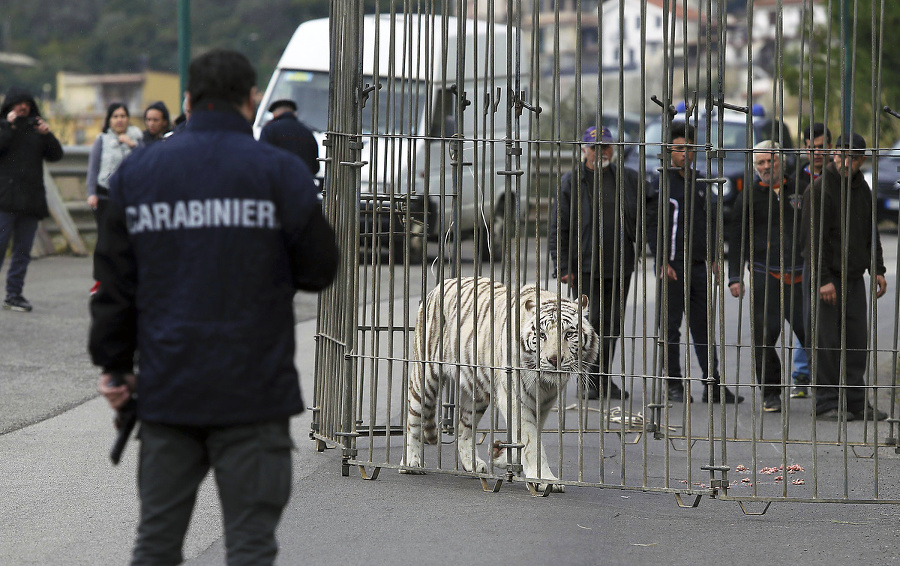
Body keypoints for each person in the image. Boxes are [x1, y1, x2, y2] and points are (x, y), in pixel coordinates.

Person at [89, 49, 339, 564]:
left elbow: (114, 285)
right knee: (250, 545)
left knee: (156, 543)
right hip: (256, 391)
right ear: (251, 100)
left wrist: (115, 368)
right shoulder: (280, 172)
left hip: (169, 389)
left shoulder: (138, 173)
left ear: (187, 99)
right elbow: (321, 270)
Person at [646, 122, 743, 404]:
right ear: (668, 151)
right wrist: (661, 259)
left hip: (699, 266)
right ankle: (674, 384)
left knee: (703, 327)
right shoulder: (661, 182)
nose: (685, 153)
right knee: (670, 327)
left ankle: (712, 383)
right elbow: (653, 224)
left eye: (690, 148)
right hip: (672, 266)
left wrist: (715, 255)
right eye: (679, 148)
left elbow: (710, 221)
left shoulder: (701, 181)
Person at [548, 125, 642, 400]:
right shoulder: (571, 181)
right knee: (591, 323)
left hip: (620, 263)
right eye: (595, 147)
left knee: (613, 324)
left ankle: (602, 377)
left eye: (606, 147)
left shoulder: (626, 178)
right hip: (586, 266)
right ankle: (589, 379)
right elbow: (558, 226)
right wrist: (562, 266)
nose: (601, 152)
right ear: (584, 150)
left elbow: (650, 205)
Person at [800, 132, 888, 421]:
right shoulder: (819, 189)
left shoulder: (862, 188)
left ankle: (855, 401)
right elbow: (813, 240)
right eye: (840, 154)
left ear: (861, 160)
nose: (843, 161)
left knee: (856, 340)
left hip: (852, 277)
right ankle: (826, 402)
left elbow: (869, 230)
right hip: (826, 277)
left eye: (851, 156)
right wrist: (822, 279)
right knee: (825, 341)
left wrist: (878, 268)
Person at [727, 141, 806, 413]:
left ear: (781, 162)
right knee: (763, 339)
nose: (764, 167)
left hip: (800, 277)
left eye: (769, 161)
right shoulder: (748, 195)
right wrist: (735, 277)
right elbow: (736, 238)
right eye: (759, 163)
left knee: (815, 336)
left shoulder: (801, 190)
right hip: (764, 275)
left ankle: (829, 394)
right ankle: (770, 393)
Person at [0, 87, 64, 312]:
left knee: (22, 250)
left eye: (26, 103)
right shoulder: (3, 126)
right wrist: (9, 125)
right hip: (5, 200)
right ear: (9, 105)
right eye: (18, 103)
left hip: (31, 199)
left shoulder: (37, 129)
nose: (22, 107)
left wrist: (47, 134)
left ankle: (14, 294)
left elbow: (56, 155)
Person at [789, 123, 833, 398]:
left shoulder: (837, 177)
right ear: (805, 147)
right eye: (811, 147)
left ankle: (829, 375)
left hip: (830, 257)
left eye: (821, 147)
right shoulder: (795, 180)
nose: (817, 153)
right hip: (801, 258)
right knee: (805, 316)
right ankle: (802, 374)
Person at [86, 103, 142, 226]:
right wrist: (91, 193)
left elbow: (144, 160)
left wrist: (131, 144)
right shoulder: (102, 139)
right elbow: (93, 168)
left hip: (130, 195)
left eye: (123, 116)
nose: (119, 120)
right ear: (109, 120)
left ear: (128, 119)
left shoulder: (137, 138)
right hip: (106, 194)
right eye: (115, 116)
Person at [259, 98, 319, 176]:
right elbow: (315, 168)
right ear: (294, 113)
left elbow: (261, 159)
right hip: (302, 183)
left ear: (274, 114)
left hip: (277, 183)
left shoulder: (269, 130)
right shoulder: (307, 132)